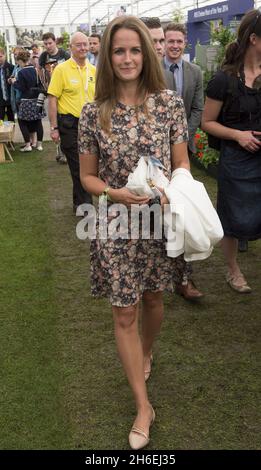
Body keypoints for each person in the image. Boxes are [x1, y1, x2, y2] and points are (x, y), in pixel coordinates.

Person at [78, 15, 190, 449]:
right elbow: (88, 178)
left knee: (154, 298)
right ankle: (143, 406)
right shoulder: (94, 112)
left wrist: (168, 186)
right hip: (116, 221)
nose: (127, 58)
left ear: (147, 52)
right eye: (119, 50)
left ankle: (145, 353)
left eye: (135, 50)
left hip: (159, 221)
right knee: (124, 310)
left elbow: (181, 162)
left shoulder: (169, 104)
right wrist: (116, 192)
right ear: (108, 56)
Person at [201, 9, 261, 293]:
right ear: (253, 39)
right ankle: (233, 270)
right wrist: (238, 134)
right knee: (232, 217)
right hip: (236, 162)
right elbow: (207, 122)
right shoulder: (224, 79)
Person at [163, 23, 204, 300]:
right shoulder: (152, 69)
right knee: (157, 211)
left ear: (185, 43)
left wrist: (184, 138)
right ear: (163, 43)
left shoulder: (195, 72)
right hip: (152, 153)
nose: (175, 45)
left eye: (179, 41)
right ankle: (159, 273)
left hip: (181, 152)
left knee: (182, 212)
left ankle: (184, 278)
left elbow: (198, 107)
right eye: (171, 41)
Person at [48, 32, 96, 213]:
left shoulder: (93, 70)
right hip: (69, 124)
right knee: (78, 165)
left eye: (86, 44)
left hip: (90, 124)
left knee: (88, 165)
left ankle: (78, 203)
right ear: (71, 48)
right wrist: (53, 127)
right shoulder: (61, 70)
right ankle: (87, 207)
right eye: (79, 45)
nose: (83, 48)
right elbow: (52, 99)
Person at [11, 50, 44, 152]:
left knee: (22, 122)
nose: (18, 64)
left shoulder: (21, 72)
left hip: (26, 100)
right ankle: (39, 145)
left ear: (21, 61)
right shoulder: (35, 70)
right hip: (37, 99)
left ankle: (28, 145)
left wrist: (14, 82)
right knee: (38, 122)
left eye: (18, 62)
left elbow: (21, 88)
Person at [140, 17, 175, 90]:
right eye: (153, 41)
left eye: (161, 41)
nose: (159, 47)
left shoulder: (169, 77)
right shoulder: (128, 77)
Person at [0, 48, 14, 121]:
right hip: (0, 98)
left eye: (0, 56)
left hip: (10, 97)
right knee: (1, 118)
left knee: (11, 119)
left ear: (4, 55)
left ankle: (11, 132)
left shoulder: (11, 67)